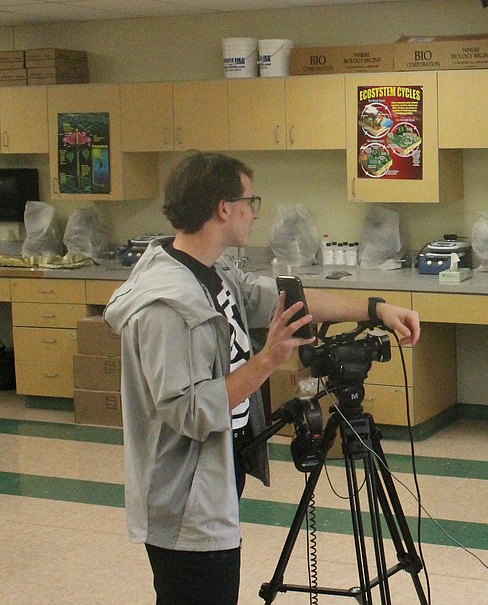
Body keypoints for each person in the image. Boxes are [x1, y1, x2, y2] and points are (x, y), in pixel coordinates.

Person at [104, 152, 421, 605]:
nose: (255, 211)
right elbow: (190, 411)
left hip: (216, 474)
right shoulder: (166, 307)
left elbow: (286, 300)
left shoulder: (213, 274)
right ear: (223, 208)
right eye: (250, 200)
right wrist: (268, 359)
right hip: (184, 500)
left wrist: (376, 309)